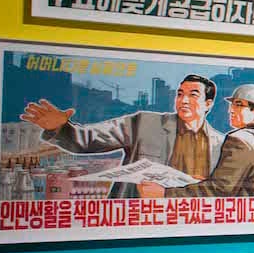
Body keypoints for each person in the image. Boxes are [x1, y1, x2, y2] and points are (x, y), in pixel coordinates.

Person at [21, 74, 224, 199]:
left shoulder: (221, 144)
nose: (183, 100)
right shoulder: (144, 123)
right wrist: (61, 128)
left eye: (193, 95)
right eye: (180, 94)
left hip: (190, 221)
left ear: (208, 104)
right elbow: (89, 139)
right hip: (137, 219)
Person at [139, 83, 254, 198]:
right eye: (232, 105)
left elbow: (219, 190)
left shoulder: (240, 139)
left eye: (239, 105)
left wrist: (165, 193)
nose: (231, 110)